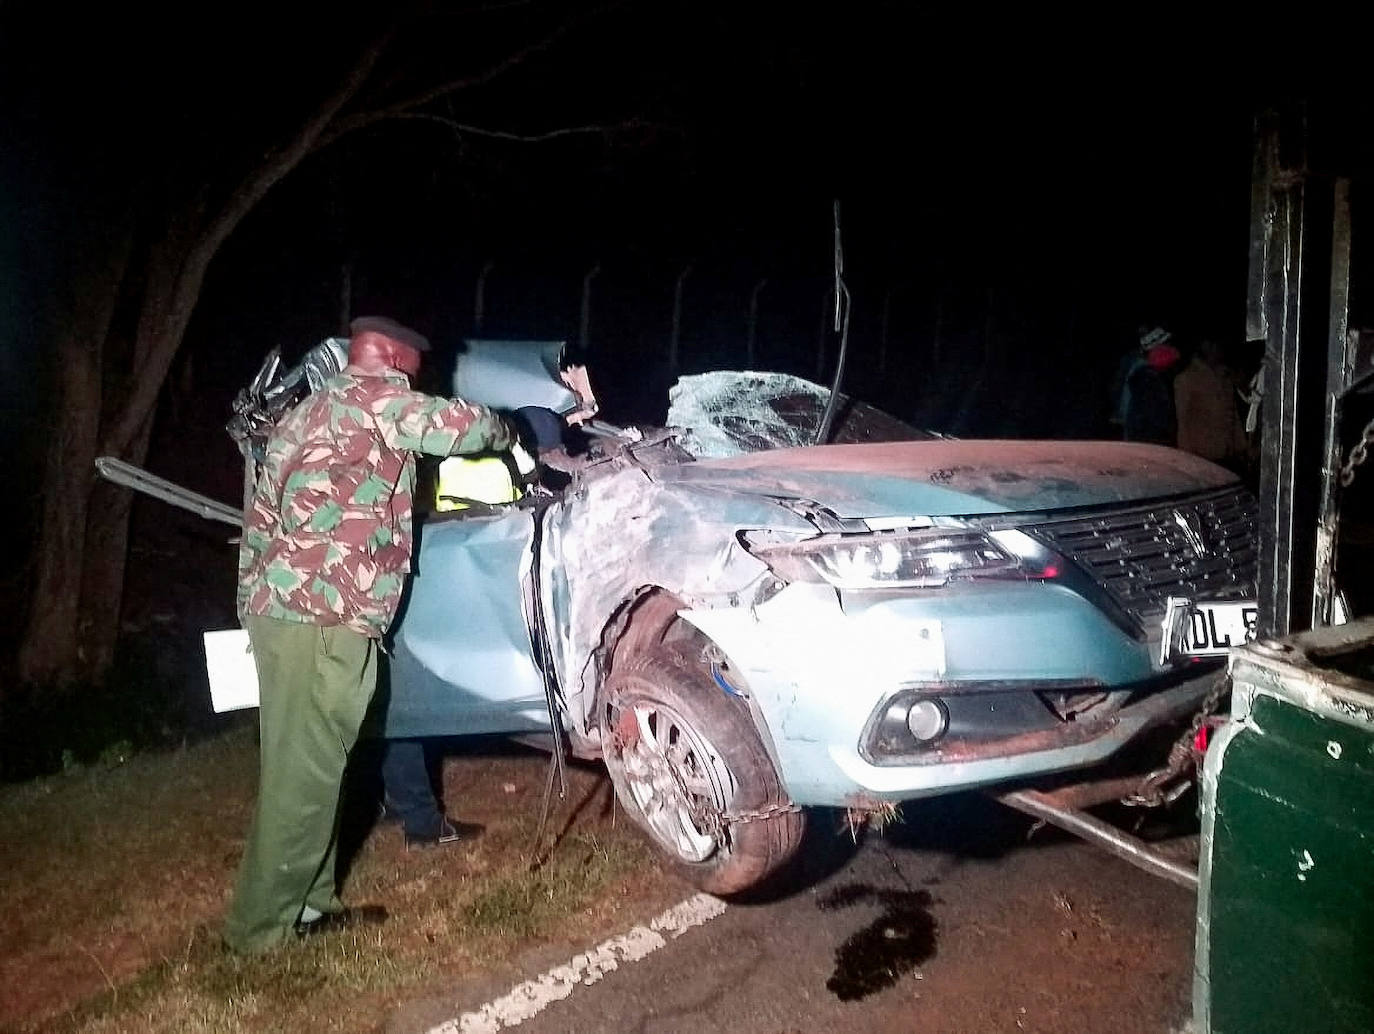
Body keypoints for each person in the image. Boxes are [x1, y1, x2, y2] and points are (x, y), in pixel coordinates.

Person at [224, 315, 515, 954]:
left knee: (314, 770)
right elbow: (463, 429)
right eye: (417, 360)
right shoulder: (376, 395)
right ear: (389, 352)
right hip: (324, 620)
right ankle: (261, 931)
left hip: (283, 615)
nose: (420, 373)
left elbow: (259, 519)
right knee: (301, 781)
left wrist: (254, 609)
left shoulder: (306, 413)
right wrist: (508, 425)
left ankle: (309, 905)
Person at [1173, 338, 1248, 469]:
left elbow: (1232, 413)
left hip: (1228, 453)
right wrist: (1185, 456)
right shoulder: (1186, 379)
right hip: (1202, 456)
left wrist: (1240, 445)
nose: (1218, 350)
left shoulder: (1224, 376)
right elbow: (1183, 420)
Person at [1116, 326, 1182, 445]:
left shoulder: (1150, 374)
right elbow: (1153, 419)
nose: (1172, 350)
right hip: (1149, 443)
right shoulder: (1146, 378)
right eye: (1166, 345)